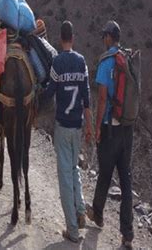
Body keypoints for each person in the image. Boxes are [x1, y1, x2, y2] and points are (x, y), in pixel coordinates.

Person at [86, 20, 134, 249]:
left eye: (104, 35)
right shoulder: (128, 59)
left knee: (105, 174)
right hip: (127, 128)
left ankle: (98, 213)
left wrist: (97, 127)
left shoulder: (106, 62)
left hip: (110, 128)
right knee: (125, 180)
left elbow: (103, 98)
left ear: (108, 37)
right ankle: (127, 234)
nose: (103, 39)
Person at [45, 20, 92, 243]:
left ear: (60, 38)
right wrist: (89, 126)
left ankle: (72, 230)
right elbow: (87, 97)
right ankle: (81, 210)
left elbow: (49, 92)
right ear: (72, 38)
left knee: (64, 177)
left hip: (63, 127)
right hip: (78, 125)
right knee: (74, 169)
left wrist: (35, 98)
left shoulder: (57, 62)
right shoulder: (81, 61)